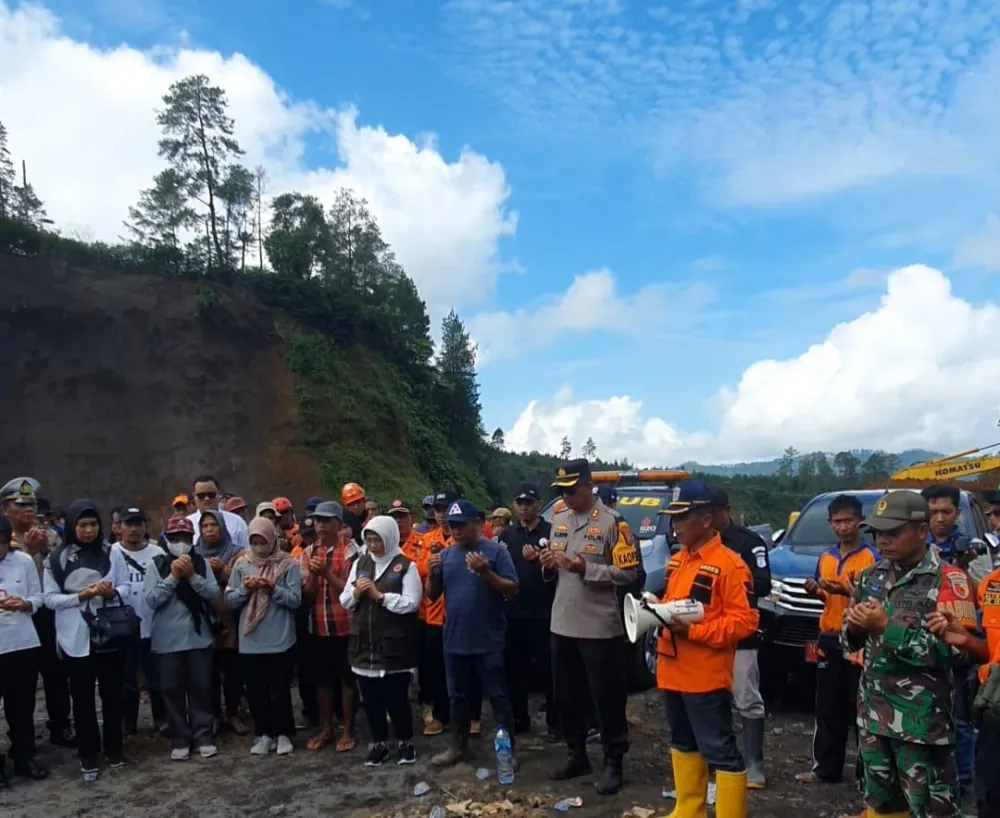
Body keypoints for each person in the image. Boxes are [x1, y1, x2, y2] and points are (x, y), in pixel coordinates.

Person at [842, 490, 967, 817]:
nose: (883, 540)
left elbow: (958, 654)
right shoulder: (871, 576)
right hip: (873, 717)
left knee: (929, 810)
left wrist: (887, 627)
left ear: (921, 530)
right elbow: (851, 644)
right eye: (878, 532)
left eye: (893, 532)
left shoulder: (948, 579)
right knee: (880, 806)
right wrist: (854, 628)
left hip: (921, 725)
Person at [656, 480, 758, 818]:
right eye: (673, 518)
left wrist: (697, 632)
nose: (676, 525)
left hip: (705, 676)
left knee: (720, 752)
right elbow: (675, 606)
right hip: (671, 671)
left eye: (683, 517)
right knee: (683, 742)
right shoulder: (677, 561)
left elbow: (744, 622)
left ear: (707, 518)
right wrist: (654, 608)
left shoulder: (731, 565)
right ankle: (689, 809)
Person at [542, 459, 640, 795]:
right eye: (561, 492)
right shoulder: (558, 521)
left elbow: (629, 574)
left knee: (606, 698)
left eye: (571, 490)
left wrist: (587, 569)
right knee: (566, 697)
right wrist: (546, 566)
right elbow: (557, 570)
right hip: (562, 621)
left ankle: (614, 761)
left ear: (588, 486)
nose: (566, 497)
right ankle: (577, 753)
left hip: (599, 626)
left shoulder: (614, 523)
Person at [425, 499, 519, 768]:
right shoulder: (445, 555)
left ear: (477, 524)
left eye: (461, 526)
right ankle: (459, 747)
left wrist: (486, 572)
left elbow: (513, 589)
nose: (456, 532)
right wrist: (432, 575)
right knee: (458, 697)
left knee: (498, 696)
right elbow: (432, 596)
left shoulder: (495, 552)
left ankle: (508, 750)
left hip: (488, 639)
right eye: (452, 526)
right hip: (454, 640)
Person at [44, 499, 131, 778]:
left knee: (112, 694)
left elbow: (126, 586)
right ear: (72, 526)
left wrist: (110, 593)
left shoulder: (111, 553)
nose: (89, 530)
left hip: (108, 633)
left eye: (93, 524)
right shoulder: (56, 559)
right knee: (82, 699)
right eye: (82, 525)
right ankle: (88, 754)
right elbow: (50, 599)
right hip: (75, 635)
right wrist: (81, 596)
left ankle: (115, 748)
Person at [797, 494, 877, 787]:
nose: (843, 527)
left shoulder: (872, 558)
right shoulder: (827, 557)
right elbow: (825, 598)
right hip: (829, 636)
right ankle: (825, 768)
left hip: (860, 640)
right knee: (828, 707)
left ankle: (867, 775)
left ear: (860, 521)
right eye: (837, 522)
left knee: (862, 707)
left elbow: (877, 599)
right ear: (830, 523)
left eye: (848, 521)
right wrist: (816, 591)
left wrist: (846, 592)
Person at [340, 515, 422, 767]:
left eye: (379, 540)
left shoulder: (406, 565)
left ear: (390, 538)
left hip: (394, 645)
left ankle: (405, 742)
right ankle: (379, 744)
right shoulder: (360, 563)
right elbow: (345, 600)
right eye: (370, 540)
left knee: (396, 698)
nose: (374, 545)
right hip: (364, 642)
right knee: (371, 699)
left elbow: (412, 602)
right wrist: (355, 592)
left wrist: (380, 596)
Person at [920, 482, 981, 805]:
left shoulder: (974, 548)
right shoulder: (914, 544)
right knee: (927, 712)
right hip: (926, 640)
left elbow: (982, 592)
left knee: (960, 716)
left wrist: (963, 568)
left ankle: (964, 777)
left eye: (946, 512)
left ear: (958, 512)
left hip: (961, 637)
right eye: (933, 513)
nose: (940, 519)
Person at [2, 476, 75, 748]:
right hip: (15, 618)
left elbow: (61, 571)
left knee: (56, 673)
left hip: (47, 613)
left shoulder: (50, 534)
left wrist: (42, 550)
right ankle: (21, 739)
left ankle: (60, 725)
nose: (29, 509)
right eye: (20, 504)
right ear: (5, 509)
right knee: (22, 684)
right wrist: (30, 553)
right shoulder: (5, 540)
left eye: (32, 503)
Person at [707, 487, 771, 789]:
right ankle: (719, 758)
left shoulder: (748, 542)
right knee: (710, 698)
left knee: (747, 696)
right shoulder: (699, 546)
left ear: (725, 510)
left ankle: (754, 763)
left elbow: (763, 584)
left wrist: (731, 573)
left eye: (711, 512)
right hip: (707, 634)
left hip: (740, 635)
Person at [146, 516, 221, 760]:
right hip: (167, 641)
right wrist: (173, 578)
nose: (181, 543)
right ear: (166, 540)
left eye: (185, 538)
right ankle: (180, 738)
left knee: (201, 688)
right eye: (175, 538)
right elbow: (152, 599)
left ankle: (203, 736)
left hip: (198, 638)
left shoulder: (200, 563)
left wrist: (191, 576)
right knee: (172, 690)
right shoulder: (155, 565)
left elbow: (212, 592)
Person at [225, 516, 301, 756]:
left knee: (280, 688)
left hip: (280, 637)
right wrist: (246, 589)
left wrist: (273, 588)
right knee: (256, 689)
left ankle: (283, 733)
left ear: (273, 540)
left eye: (263, 542)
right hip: (251, 640)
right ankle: (263, 733)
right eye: (254, 542)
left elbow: (295, 600)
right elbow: (230, 600)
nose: (259, 548)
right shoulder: (241, 565)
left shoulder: (288, 564)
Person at [499, 482, 559, 741]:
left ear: (538, 505)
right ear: (514, 506)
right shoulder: (507, 535)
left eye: (529, 503)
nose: (524, 507)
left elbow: (560, 570)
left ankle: (556, 723)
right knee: (514, 670)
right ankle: (520, 719)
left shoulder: (552, 532)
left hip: (544, 612)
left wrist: (539, 561)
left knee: (550, 671)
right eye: (520, 503)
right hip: (513, 612)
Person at [298, 501, 358, 752]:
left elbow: (351, 591)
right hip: (318, 625)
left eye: (326, 520)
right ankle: (326, 728)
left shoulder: (351, 551)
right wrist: (314, 575)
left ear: (339, 524)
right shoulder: (308, 552)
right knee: (322, 680)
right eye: (317, 520)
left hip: (345, 625)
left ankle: (347, 729)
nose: (320, 525)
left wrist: (326, 573)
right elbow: (307, 595)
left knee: (346, 679)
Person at [0, 514, 49, 787]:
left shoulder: (23, 561)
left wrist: (26, 603)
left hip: (22, 643)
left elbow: (39, 597)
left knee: (22, 706)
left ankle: (24, 756)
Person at [114, 506, 167, 736]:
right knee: (127, 679)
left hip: (154, 624)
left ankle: (162, 719)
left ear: (146, 526)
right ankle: (128, 722)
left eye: (138, 523)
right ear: (119, 527)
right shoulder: (111, 553)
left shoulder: (158, 554)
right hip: (123, 627)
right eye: (128, 524)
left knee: (157, 678)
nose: (134, 529)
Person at [195, 509, 248, 736]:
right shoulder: (195, 554)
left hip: (231, 620)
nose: (209, 530)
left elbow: (242, 582)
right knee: (209, 673)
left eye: (213, 525)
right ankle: (214, 715)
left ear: (222, 527)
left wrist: (222, 572)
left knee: (233, 671)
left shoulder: (237, 553)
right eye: (205, 526)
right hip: (204, 619)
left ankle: (234, 714)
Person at [418, 490, 455, 737]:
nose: (441, 515)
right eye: (438, 510)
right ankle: (441, 717)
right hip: (433, 615)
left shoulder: (462, 540)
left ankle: (471, 717)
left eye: (445, 509)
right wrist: (433, 556)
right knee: (436, 670)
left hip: (458, 615)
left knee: (463, 668)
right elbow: (420, 568)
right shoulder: (427, 538)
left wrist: (441, 554)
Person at [186, 475, 250, 552]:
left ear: (218, 495)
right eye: (201, 495)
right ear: (194, 497)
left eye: (211, 495)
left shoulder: (237, 522)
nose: (207, 499)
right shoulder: (187, 524)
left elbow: (247, 554)